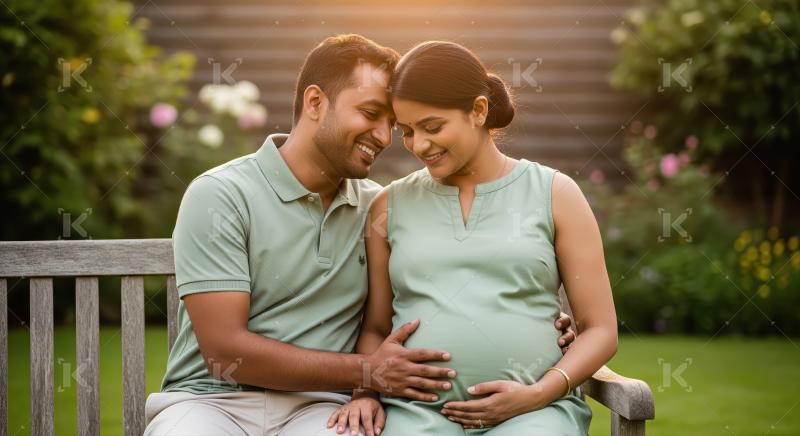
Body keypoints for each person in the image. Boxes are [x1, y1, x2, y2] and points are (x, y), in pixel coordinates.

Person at [144, 34, 576, 436]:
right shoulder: (222, 195)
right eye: (371, 114)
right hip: (211, 404)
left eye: (394, 123)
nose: (386, 137)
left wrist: (539, 328)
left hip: (319, 410)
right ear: (315, 102)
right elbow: (224, 353)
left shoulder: (381, 209)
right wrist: (367, 373)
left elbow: (452, 281)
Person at [328, 41, 617, 436]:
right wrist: (366, 390)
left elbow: (600, 328)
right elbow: (376, 328)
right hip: (416, 416)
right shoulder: (388, 206)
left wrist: (539, 393)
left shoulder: (555, 193)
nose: (419, 145)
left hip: (534, 414)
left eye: (432, 127)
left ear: (478, 111)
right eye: (407, 131)